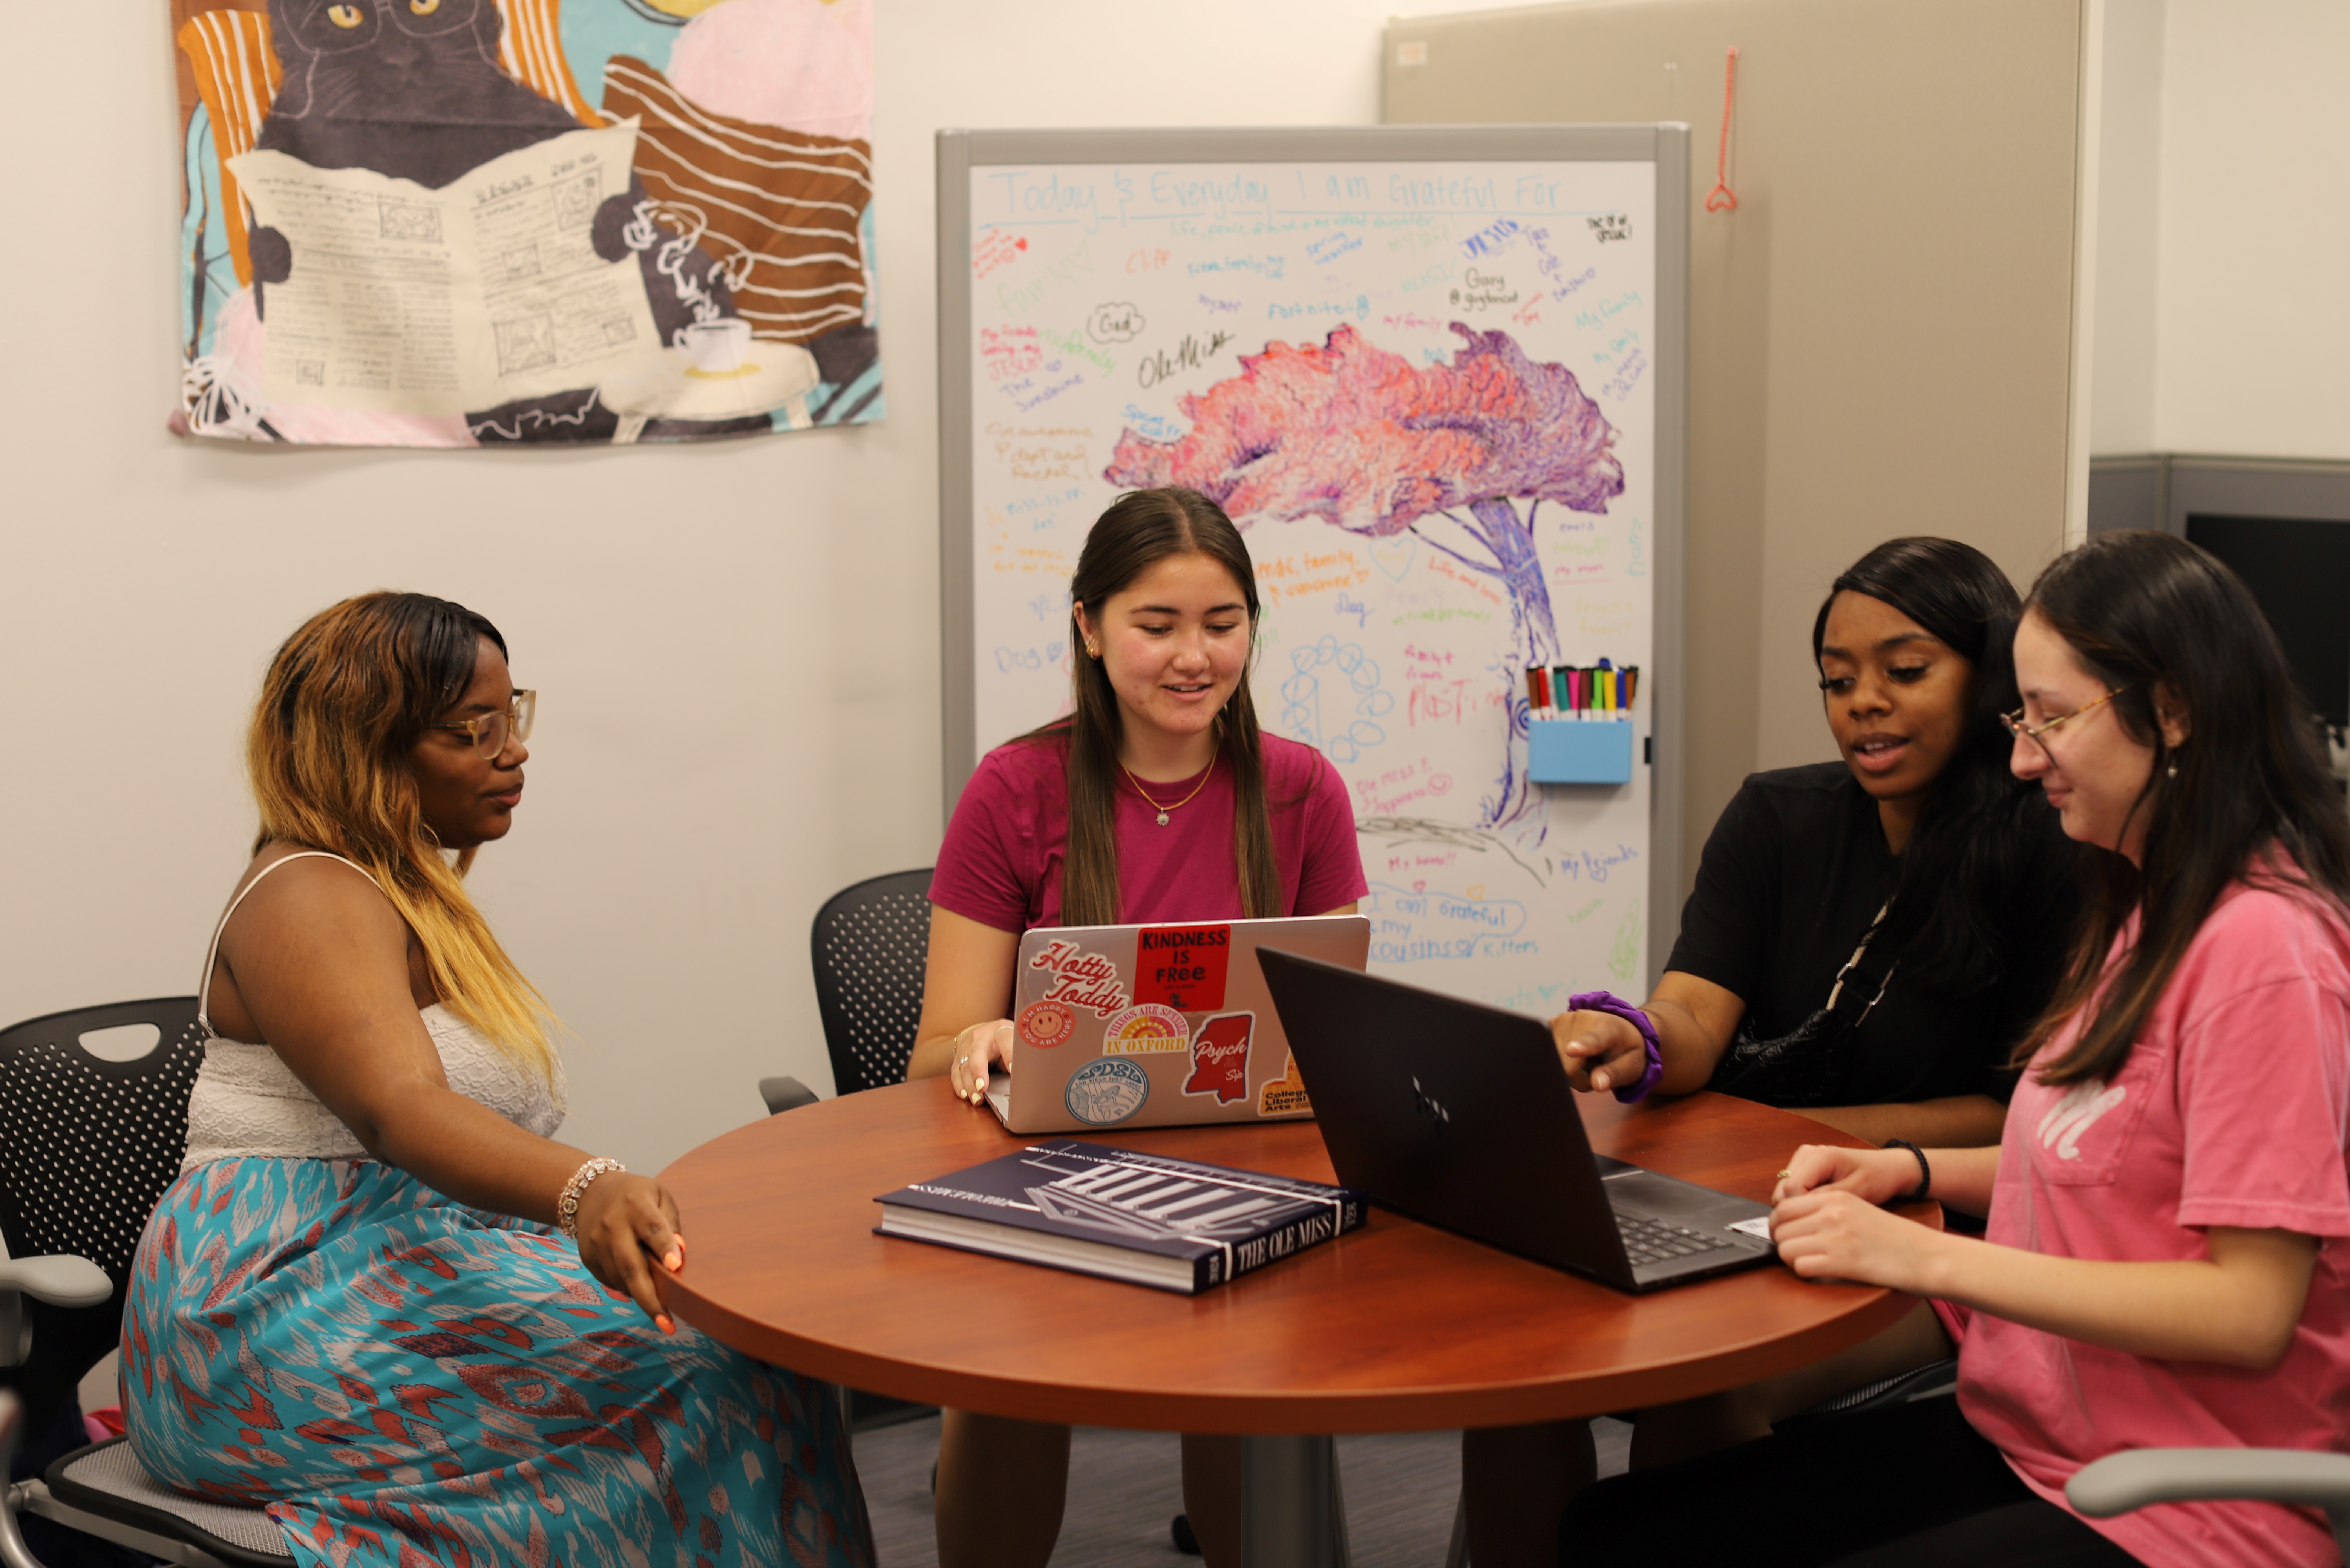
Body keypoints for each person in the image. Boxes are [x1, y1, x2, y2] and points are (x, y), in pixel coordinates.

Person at [1555, 529, 2350, 1567]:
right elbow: (2107, 1149)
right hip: (2041, 1439)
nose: (2024, 757)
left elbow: (2249, 1311)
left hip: (2174, 1501)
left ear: (2174, 712)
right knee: (1617, 1535)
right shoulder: (2148, 908)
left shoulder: (2265, 953)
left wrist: (1922, 1252)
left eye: (2055, 721)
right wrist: (1913, 1168)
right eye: (2023, 721)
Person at [121, 593, 872, 1568]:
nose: (511, 752)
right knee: (715, 1367)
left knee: (755, 1337)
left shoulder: (396, 888)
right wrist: (585, 1184)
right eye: (470, 732)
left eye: (510, 715)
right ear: (363, 747)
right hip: (269, 1314)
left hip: (384, 1260)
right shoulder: (308, 891)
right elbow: (401, 1110)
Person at [1465, 538, 2081, 1565]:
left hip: (1944, 1241)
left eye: (1905, 671)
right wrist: (1638, 1035)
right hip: (1741, 1200)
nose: (1863, 704)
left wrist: (1773, 1141)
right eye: (1838, 682)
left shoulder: (2050, 847)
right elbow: (1695, 1018)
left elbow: (2019, 1120)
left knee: (1705, 1384)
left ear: (1991, 673)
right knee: (1517, 1367)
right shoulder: (1777, 816)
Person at [908, 487, 1368, 1568]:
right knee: (1009, 1375)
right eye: (1156, 626)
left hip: (1248, 1169)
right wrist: (996, 1043)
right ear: (1089, 627)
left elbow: (1337, 1026)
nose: (1193, 657)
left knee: (1249, 1353)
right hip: (1054, 1174)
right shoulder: (1016, 789)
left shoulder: (1301, 789)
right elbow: (936, 1053)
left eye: (1223, 624)